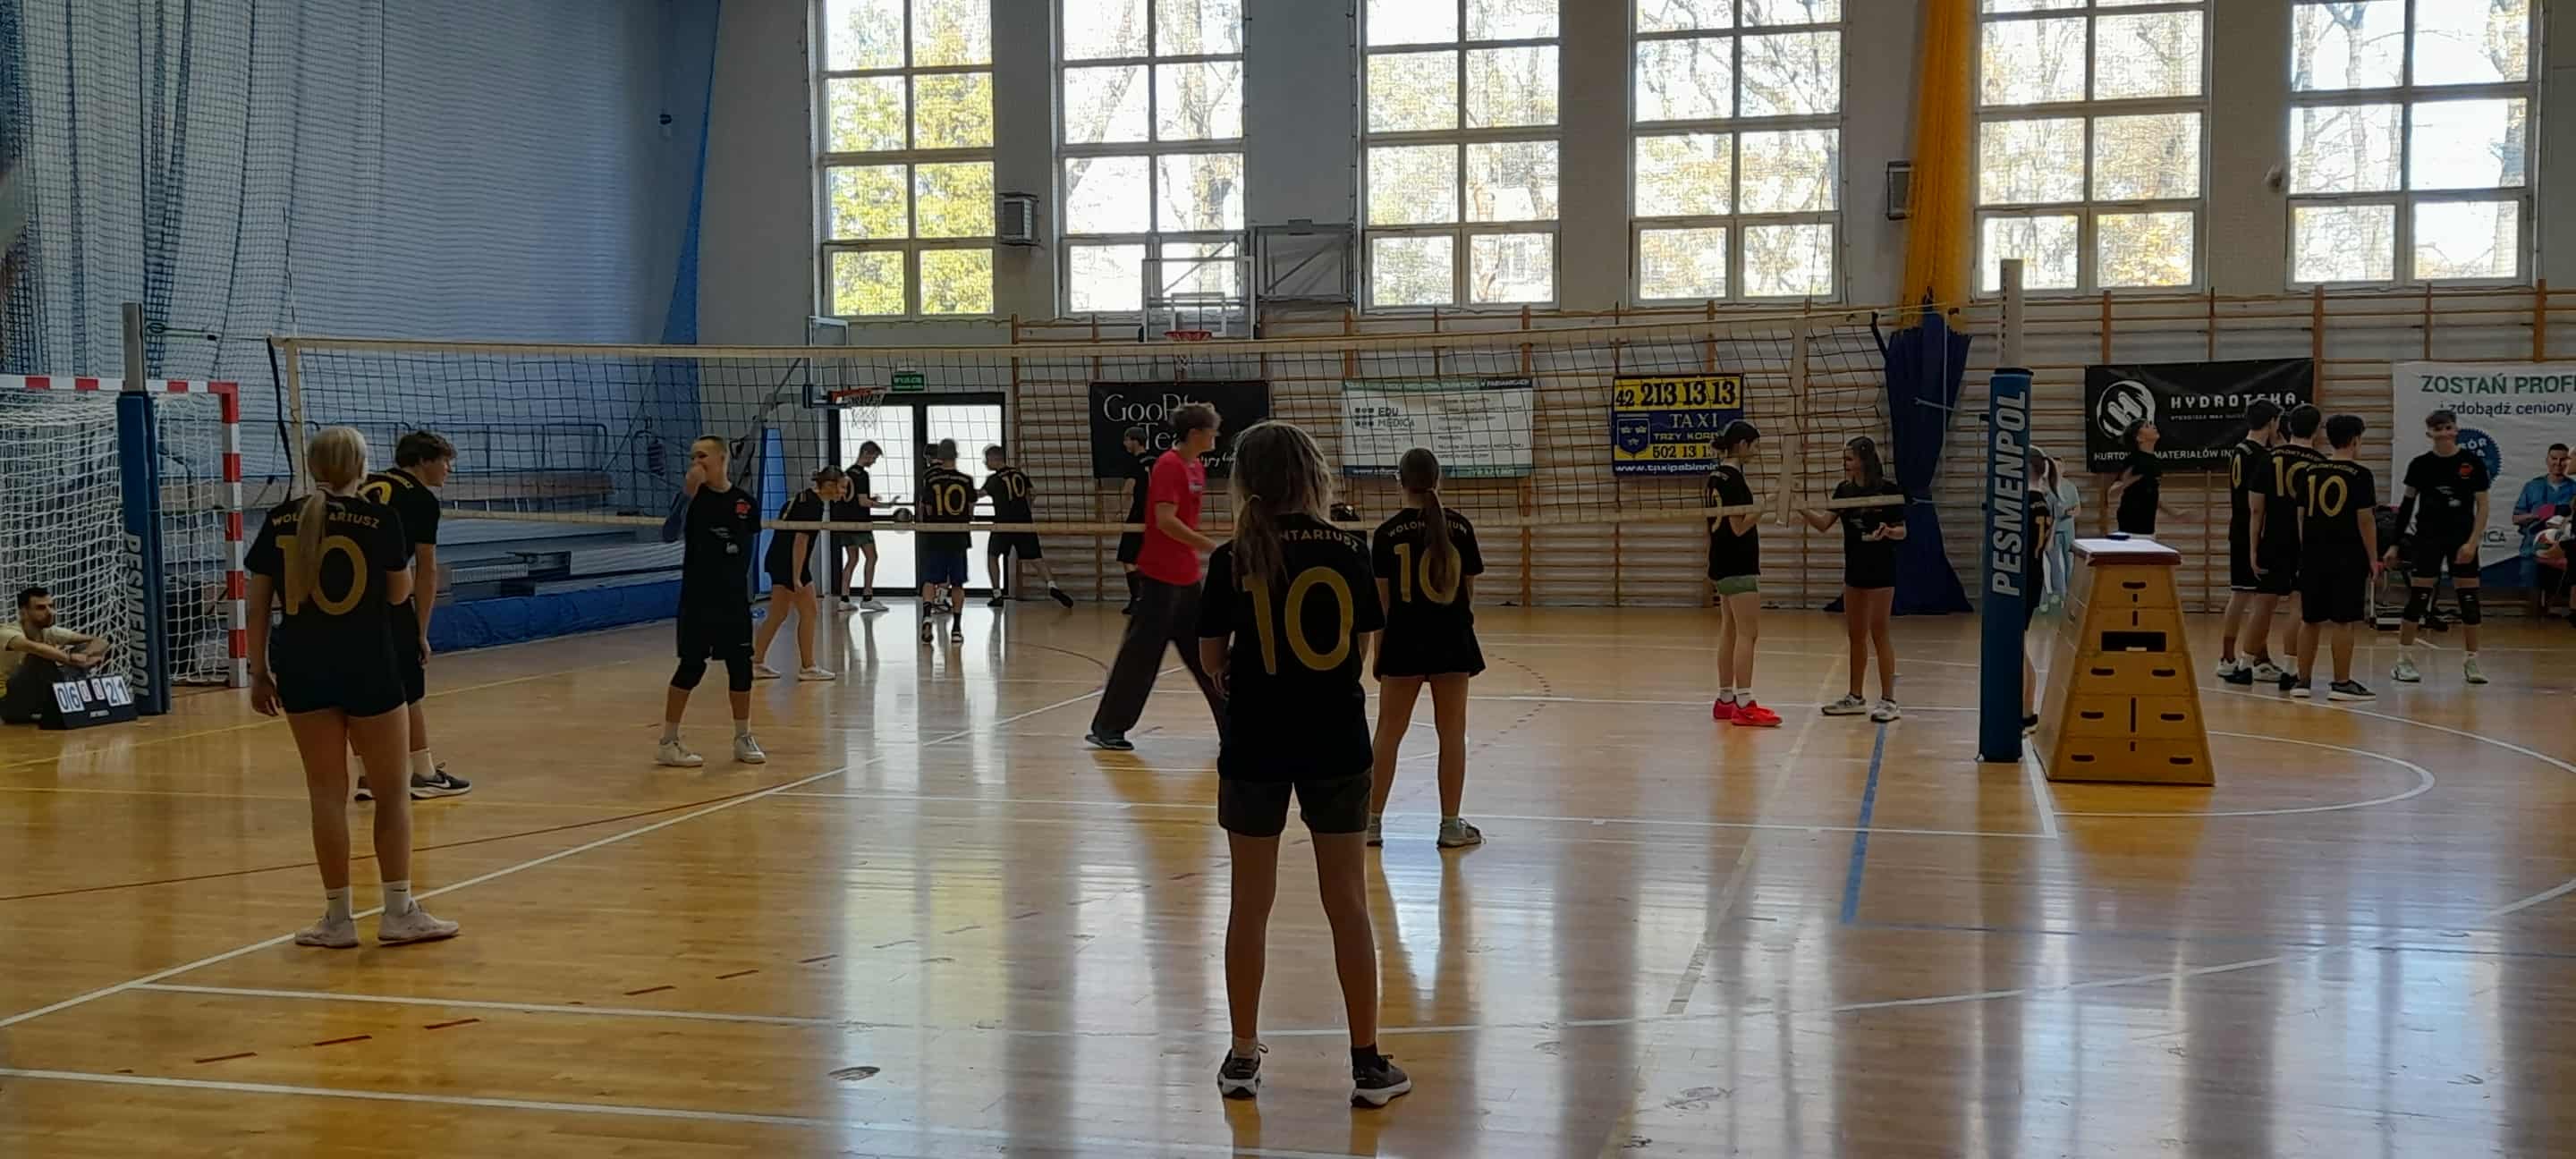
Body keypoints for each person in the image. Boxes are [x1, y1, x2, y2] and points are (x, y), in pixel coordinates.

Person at [1192, 420, 1408, 1109]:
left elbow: (1211, 658)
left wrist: (1245, 674)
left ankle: (1242, 1056)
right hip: (1336, 739)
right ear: (1314, 476)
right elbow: (1363, 648)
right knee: (1347, 902)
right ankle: (1368, 1065)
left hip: (1254, 741)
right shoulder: (1350, 548)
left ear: (1245, 482)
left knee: (1249, 904)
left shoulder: (1231, 556)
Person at [244, 427, 459, 948]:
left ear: (313, 465)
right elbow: (398, 594)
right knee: (391, 793)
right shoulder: (380, 519)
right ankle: (398, 911)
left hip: (302, 667)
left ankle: (337, 919)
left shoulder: (280, 519)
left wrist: (258, 670)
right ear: (361, 467)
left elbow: (257, 601)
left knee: (325, 794)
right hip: (370, 665)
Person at [1085, 404, 1227, 751]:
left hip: (1188, 578)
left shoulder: (1196, 467)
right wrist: (1212, 547)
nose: (1216, 436)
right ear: (1195, 434)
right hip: (1160, 577)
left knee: (1208, 657)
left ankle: (1235, 727)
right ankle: (1108, 728)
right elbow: (1165, 520)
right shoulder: (1169, 465)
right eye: (1212, 430)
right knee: (1140, 657)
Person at [1365, 447, 1487, 850]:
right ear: (1439, 479)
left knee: (1388, 733)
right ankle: (1450, 826)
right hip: (1451, 640)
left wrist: (1380, 653)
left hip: (1403, 642)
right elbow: (1468, 594)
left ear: (1399, 481)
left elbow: (1381, 605)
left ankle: (1371, 824)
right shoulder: (1461, 528)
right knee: (1452, 733)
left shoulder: (1387, 534)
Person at [354, 431, 472, 800]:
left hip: (344, 601)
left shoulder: (364, 483)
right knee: (409, 689)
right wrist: (421, 630)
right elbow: (426, 569)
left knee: (358, 688)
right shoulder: (421, 499)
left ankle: (367, 777)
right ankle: (424, 774)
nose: (448, 469)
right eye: (445, 461)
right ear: (422, 461)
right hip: (388, 599)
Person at [657, 436, 767, 767]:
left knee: (741, 667)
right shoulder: (693, 499)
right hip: (697, 599)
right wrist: (686, 495)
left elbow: (746, 550)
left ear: (721, 459)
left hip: (733, 601)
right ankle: (668, 742)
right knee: (691, 667)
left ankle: (743, 737)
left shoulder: (745, 502)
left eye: (702, 456)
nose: (696, 462)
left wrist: (743, 593)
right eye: (693, 456)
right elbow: (668, 534)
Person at [1797, 436, 1904, 722]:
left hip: (1882, 570)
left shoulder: (1888, 489)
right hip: (1855, 569)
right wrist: (1800, 506)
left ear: (1863, 459)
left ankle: (1889, 701)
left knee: (1880, 633)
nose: (1845, 463)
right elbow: (1823, 524)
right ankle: (1855, 697)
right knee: (1855, 635)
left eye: (1849, 458)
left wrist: (1888, 531)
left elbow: (1902, 531)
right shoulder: (1844, 490)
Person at [2390, 409, 2492, 686]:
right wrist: (2394, 544)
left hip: (2461, 540)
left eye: (2448, 427)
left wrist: (2472, 542)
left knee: (2469, 600)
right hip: (2428, 538)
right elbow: (2407, 506)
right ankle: (2403, 660)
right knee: (2419, 598)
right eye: (2438, 429)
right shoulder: (2420, 465)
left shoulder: (2472, 463)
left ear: (2456, 430)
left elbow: (2483, 506)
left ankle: (2472, 661)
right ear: (2429, 433)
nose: (2444, 433)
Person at [2293, 414, 2380, 702]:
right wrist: (2373, 558)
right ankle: (2341, 683)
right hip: (2346, 555)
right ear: (2355, 440)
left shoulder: (2310, 471)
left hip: (2313, 554)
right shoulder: (2360, 474)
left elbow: (2301, 516)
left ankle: (2302, 681)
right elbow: (2365, 520)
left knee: (2310, 619)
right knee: (2344, 621)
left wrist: (2307, 548)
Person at [1705, 421, 1778, 727]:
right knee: (1748, 633)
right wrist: (1766, 505)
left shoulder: (1715, 476)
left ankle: (1725, 700)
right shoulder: (1734, 480)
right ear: (1743, 444)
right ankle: (1745, 703)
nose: (1756, 452)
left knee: (1730, 629)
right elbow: (1739, 527)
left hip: (1721, 561)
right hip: (1738, 563)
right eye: (1755, 446)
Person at [2215, 402, 2284, 686]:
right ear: (2272, 421)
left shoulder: (2240, 450)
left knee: (2245, 594)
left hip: (2239, 527)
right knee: (2254, 597)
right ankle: (2241, 659)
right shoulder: (2261, 456)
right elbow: (2259, 502)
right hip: (2255, 530)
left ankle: (2241, 657)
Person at [753, 467, 843, 681]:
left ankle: (755, 663)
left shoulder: (802, 497)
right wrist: (796, 576)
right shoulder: (812, 505)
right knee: (809, 611)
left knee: (778, 614)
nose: (844, 492)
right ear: (829, 485)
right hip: (790, 563)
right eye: (842, 487)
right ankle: (808, 667)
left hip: (778, 559)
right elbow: (800, 541)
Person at [2261, 405, 2326, 690]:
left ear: (2287, 427)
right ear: (2317, 429)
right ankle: (2290, 669)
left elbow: (2256, 507)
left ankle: (2244, 662)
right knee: (2298, 606)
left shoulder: (2271, 457)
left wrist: (2253, 544)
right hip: (2306, 540)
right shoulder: (2321, 463)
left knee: (2263, 602)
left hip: (2273, 536)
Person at [981, 445, 1074, 609]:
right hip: (1025, 522)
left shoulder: (994, 480)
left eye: (986, 460)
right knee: (1036, 558)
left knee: (992, 556)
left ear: (994, 459)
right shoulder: (1020, 474)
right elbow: (1033, 493)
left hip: (1003, 524)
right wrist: (1026, 508)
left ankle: (997, 595)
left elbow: (979, 494)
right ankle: (1053, 586)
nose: (985, 463)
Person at [0, 587, 108, 724]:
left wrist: (86, 654)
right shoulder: (7, 632)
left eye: (51, 606)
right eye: (41, 608)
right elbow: (37, 648)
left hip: (37, 696)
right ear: (23, 613)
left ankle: (69, 699)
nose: (50, 612)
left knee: (83, 647)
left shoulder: (50, 631)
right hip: (7, 702)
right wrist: (72, 661)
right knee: (39, 657)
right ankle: (67, 694)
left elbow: (100, 641)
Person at [918, 440, 978, 645]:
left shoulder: (931, 479)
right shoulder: (966, 480)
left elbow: (926, 508)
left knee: (929, 580)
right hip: (958, 537)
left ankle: (927, 616)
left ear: (939, 457)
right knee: (957, 583)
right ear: (956, 455)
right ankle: (957, 629)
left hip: (936, 535)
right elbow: (970, 510)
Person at [2512, 443, 2574, 615]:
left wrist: (2564, 521)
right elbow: (2516, 518)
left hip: (2562, 551)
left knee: (2555, 602)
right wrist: (2538, 515)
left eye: (2563, 459)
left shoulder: (2574, 488)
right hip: (2532, 549)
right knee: (2532, 603)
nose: (2558, 463)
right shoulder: (2532, 486)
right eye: (2554, 458)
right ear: (2547, 460)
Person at [2022, 447, 2056, 736]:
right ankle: (2026, 712)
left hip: (2021, 579)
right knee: (2018, 646)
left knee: (2016, 649)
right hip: (2036, 575)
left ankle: (2026, 712)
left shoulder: (2021, 504)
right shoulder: (2045, 502)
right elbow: (2049, 545)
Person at [835, 441, 889, 613]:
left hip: (844, 523)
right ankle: (867, 597)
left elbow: (852, 498)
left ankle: (844, 600)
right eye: (874, 457)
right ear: (866, 453)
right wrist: (885, 506)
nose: (874, 461)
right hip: (860, 523)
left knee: (852, 560)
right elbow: (863, 502)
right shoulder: (862, 475)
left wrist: (870, 499)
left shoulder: (847, 473)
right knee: (872, 557)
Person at [2106, 420, 2185, 536]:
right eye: (2147, 426)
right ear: (2139, 438)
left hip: (2148, 528)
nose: (2153, 426)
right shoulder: (2133, 460)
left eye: (2152, 424)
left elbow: (2153, 493)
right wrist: (2126, 483)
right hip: (2130, 527)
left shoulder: (2155, 462)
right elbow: (2111, 493)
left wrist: (2174, 513)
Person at [1115, 426, 1158, 614]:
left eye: (1126, 440)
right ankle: (1150, 600)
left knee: (1127, 557)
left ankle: (1138, 599)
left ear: (1135, 440)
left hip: (1139, 514)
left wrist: (1116, 513)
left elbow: (1127, 490)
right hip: (1158, 514)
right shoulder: (1158, 461)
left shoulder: (1134, 463)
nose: (1124, 444)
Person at [2038, 449, 2082, 614]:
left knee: (2069, 563)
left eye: (2059, 466)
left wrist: (2072, 512)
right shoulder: (2046, 488)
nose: (2057, 469)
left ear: (2064, 468)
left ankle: (2069, 596)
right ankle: (2058, 596)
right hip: (2053, 532)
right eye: (2054, 466)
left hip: (2068, 530)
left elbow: (2078, 508)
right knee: (2055, 565)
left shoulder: (2070, 487)